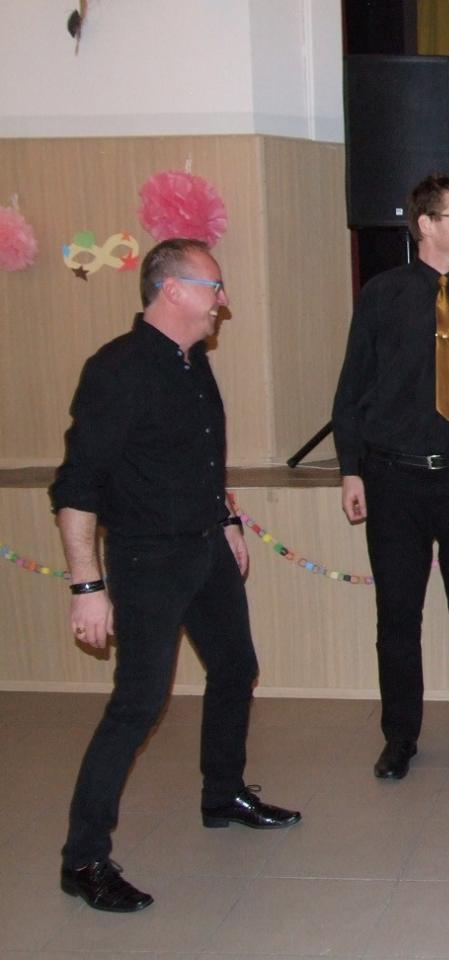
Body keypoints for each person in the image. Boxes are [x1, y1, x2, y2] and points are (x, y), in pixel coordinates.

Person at [49, 239, 300, 913]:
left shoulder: (193, 362)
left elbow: (201, 457)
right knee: (138, 703)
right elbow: (76, 487)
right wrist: (87, 587)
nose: (224, 302)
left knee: (236, 667)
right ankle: (84, 859)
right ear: (174, 290)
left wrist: (227, 519)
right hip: (148, 558)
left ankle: (223, 794)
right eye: (215, 288)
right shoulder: (117, 370)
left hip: (206, 547)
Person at [332, 174, 449, 781]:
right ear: (427, 225)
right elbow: (353, 387)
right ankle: (400, 737)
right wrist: (350, 469)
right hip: (394, 479)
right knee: (397, 616)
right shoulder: (382, 295)